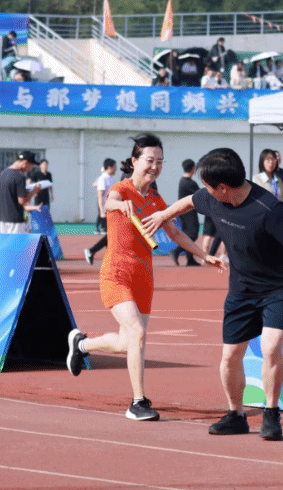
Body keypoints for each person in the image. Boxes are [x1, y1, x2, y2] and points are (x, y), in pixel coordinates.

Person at [141, 147, 283, 439]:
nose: (205, 192)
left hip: (279, 288)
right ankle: (236, 415)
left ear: (224, 188)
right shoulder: (212, 197)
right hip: (242, 289)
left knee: (270, 348)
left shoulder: (267, 208)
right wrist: (163, 214)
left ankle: (271, 414)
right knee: (229, 357)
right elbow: (188, 202)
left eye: (209, 186)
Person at [66, 134, 225, 421]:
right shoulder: (121, 189)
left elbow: (174, 233)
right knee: (138, 334)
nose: (155, 166)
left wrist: (204, 255)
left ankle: (81, 345)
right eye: (150, 160)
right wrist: (119, 206)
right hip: (116, 273)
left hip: (144, 276)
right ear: (135, 161)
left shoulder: (156, 199)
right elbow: (109, 203)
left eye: (160, 161)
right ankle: (138, 402)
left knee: (128, 342)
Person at [0, 150, 41, 234]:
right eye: (30, 166)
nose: (28, 169)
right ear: (25, 162)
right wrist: (33, 192)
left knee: (6, 241)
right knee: (17, 242)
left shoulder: (3, 173)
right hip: (14, 218)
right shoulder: (19, 176)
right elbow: (22, 201)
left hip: (2, 217)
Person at [84, 159, 117, 265]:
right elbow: (100, 196)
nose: (116, 169)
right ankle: (92, 251)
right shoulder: (102, 179)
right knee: (111, 234)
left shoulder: (111, 178)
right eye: (115, 167)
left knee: (111, 235)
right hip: (106, 209)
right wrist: (102, 211)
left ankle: (109, 257)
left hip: (111, 209)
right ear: (109, 167)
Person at [171, 159, 202, 266]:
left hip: (183, 212)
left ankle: (190, 258)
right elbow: (200, 195)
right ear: (193, 169)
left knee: (188, 234)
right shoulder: (189, 183)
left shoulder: (182, 181)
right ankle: (177, 251)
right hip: (188, 212)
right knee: (193, 234)